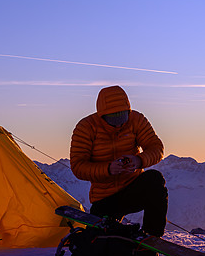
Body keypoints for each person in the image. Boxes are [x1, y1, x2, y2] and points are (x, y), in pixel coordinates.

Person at [70, 85, 167, 236]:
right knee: (99, 243)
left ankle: (152, 236)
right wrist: (108, 169)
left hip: (132, 188)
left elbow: (156, 148)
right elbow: (78, 167)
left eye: (123, 117)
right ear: (102, 115)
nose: (119, 124)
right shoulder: (86, 128)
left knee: (154, 179)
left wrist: (138, 160)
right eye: (113, 119)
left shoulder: (136, 120)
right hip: (104, 197)